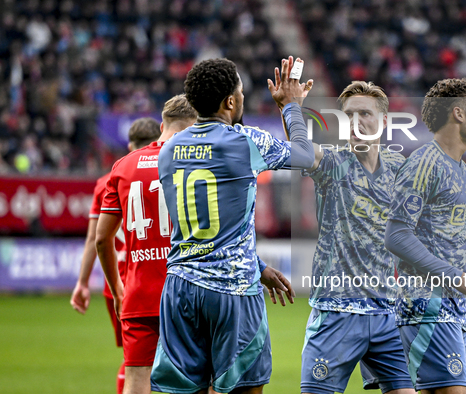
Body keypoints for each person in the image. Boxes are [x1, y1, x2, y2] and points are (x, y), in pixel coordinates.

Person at [299, 81, 466, 394]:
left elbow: (429, 220)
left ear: (383, 121)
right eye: (349, 115)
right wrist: (290, 106)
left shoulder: (400, 166)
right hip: (339, 308)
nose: (356, 122)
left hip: (387, 313)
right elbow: (300, 152)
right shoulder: (330, 162)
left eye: (365, 113)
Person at [150, 56, 314, 394]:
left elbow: (200, 227)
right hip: (232, 290)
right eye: (240, 93)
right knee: (244, 389)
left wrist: (259, 266)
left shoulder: (168, 151)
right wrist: (291, 106)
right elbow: (305, 155)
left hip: (180, 288)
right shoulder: (246, 142)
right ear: (230, 101)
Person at [385, 78, 466, 393]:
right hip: (426, 303)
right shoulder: (424, 163)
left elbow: (442, 239)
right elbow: (396, 235)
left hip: (452, 304)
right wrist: (455, 276)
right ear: (458, 114)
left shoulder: (462, 171)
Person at [95, 96, 198, 394]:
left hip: (139, 294)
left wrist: (117, 289)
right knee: (199, 382)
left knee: (136, 383)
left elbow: (103, 238)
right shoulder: (196, 163)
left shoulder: (123, 166)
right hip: (187, 294)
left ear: (162, 124)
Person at [70, 117, 161, 394]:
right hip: (157, 276)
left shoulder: (108, 180)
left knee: (133, 358)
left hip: (118, 284)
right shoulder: (170, 169)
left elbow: (95, 238)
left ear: (130, 145)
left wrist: (82, 282)